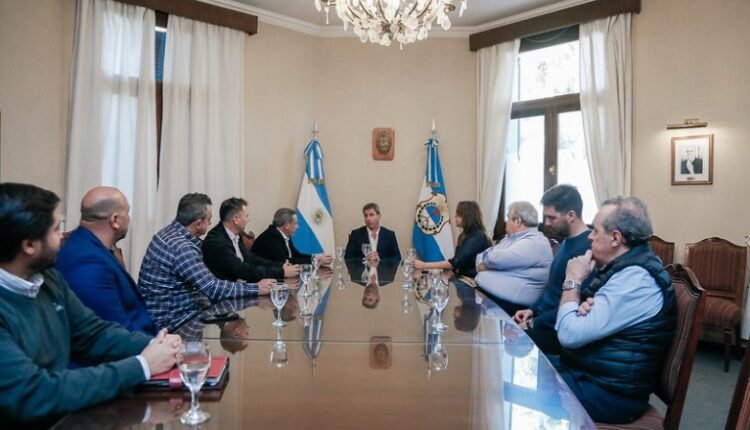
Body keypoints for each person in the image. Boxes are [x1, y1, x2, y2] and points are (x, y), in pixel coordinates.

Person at [0, 183, 180, 425]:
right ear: (29, 245)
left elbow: (93, 334)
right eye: (56, 229)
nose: (63, 236)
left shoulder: (47, 278)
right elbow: (35, 393)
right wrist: (142, 366)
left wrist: (157, 346)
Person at [552, 196, 676, 424]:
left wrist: (572, 281)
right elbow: (577, 322)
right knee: (531, 365)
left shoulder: (636, 279)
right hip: (590, 373)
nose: (589, 236)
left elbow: (568, 334)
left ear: (616, 238)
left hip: (610, 393)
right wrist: (581, 305)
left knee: (526, 384)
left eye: (595, 231)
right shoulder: (624, 268)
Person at [138, 193, 274, 332]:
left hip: (181, 313)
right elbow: (213, 288)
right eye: (209, 219)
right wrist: (256, 288)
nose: (210, 223)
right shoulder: (182, 248)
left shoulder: (168, 233)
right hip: (174, 323)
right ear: (198, 224)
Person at [56, 186, 155, 334]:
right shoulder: (88, 263)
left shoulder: (88, 246)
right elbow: (114, 330)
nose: (129, 218)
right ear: (115, 220)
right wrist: (159, 344)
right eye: (127, 212)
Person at [512, 184, 592, 355]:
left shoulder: (587, 248)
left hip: (555, 331)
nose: (547, 223)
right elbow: (551, 289)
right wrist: (531, 310)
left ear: (571, 215)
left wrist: (534, 323)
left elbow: (575, 302)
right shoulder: (566, 242)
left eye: (551, 217)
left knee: (509, 344)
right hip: (542, 321)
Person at [475, 201, 553, 315]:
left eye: (508, 218)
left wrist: (489, 264)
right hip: (491, 300)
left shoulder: (534, 243)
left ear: (518, 221)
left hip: (511, 309)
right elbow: (481, 258)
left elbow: (492, 258)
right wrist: (491, 264)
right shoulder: (511, 238)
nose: (506, 222)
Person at [202, 197, 299, 282]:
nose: (248, 219)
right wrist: (281, 272)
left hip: (245, 285)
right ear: (236, 219)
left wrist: (280, 266)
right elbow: (242, 270)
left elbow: (252, 259)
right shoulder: (216, 241)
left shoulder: (234, 234)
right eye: (246, 216)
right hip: (232, 292)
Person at [413, 200, 491, 278]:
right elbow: (457, 266)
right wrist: (428, 272)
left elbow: (454, 263)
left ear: (467, 216)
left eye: (458, 214)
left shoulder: (477, 237)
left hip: (472, 281)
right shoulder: (464, 235)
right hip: (462, 278)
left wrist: (424, 265)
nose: (455, 217)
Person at [252, 208, 333, 266]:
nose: (297, 227)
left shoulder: (284, 235)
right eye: (295, 223)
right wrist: (316, 261)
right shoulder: (271, 237)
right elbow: (285, 261)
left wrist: (316, 257)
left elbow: (295, 255)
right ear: (287, 225)